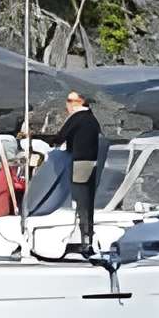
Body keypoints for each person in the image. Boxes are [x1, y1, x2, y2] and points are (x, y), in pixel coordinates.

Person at [47, 92, 102, 255]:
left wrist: (37, 138)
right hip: (91, 162)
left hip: (79, 163)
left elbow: (60, 138)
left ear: (78, 103)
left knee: (80, 201)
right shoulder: (92, 119)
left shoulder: (77, 118)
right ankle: (87, 237)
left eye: (69, 101)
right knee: (87, 201)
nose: (67, 105)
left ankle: (82, 238)